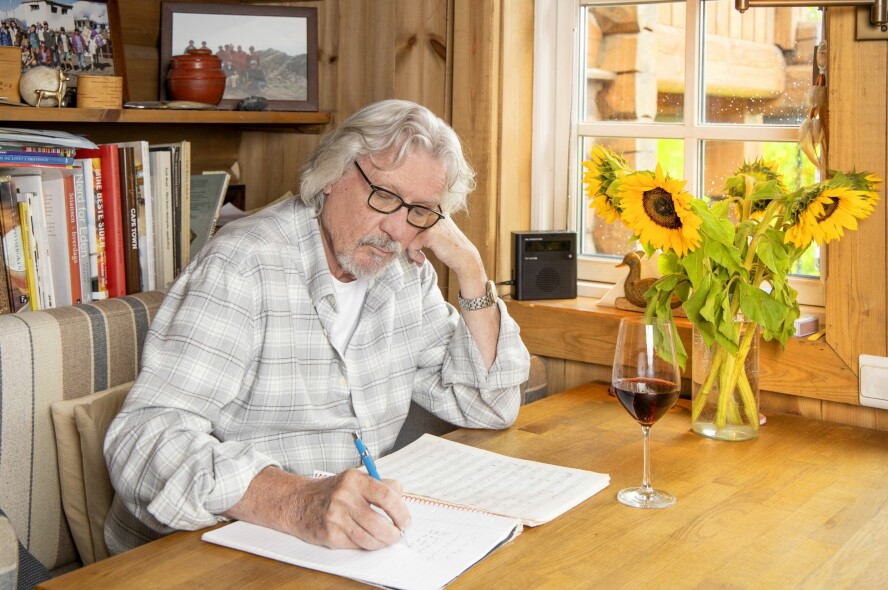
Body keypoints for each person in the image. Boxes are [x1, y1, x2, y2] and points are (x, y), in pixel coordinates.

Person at [104, 99, 531, 554]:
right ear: (331, 176)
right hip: (202, 550)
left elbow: (490, 404)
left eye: (421, 211)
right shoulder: (243, 264)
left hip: (347, 548)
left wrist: (469, 267)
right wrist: (297, 501)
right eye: (384, 197)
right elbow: (143, 440)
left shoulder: (405, 275)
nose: (396, 230)